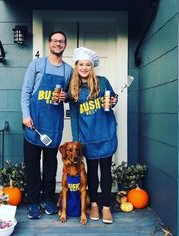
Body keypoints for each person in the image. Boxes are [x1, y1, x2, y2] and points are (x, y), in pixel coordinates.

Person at [21, 31, 73, 219]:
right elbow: (26, 92)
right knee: (32, 166)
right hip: (33, 124)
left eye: (61, 41)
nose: (58, 44)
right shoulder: (37, 64)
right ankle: (33, 202)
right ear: (49, 43)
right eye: (55, 41)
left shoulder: (68, 71)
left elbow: (71, 95)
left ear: (65, 45)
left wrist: (65, 96)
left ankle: (48, 199)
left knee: (51, 166)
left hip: (53, 125)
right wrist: (26, 116)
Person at [69, 47, 118, 224]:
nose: (84, 67)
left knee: (105, 171)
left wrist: (113, 100)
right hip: (87, 137)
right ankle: (95, 204)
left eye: (87, 64)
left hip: (105, 133)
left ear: (92, 67)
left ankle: (106, 207)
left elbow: (112, 99)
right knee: (91, 174)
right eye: (81, 64)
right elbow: (74, 116)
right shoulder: (73, 89)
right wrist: (76, 139)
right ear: (76, 66)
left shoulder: (102, 82)